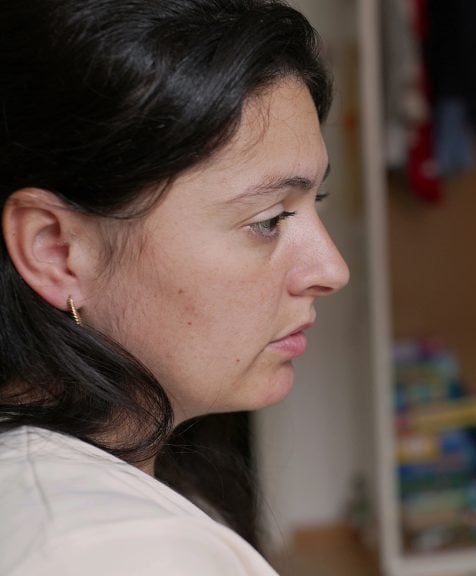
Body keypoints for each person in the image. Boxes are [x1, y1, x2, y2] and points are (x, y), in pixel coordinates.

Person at [0, 0, 348, 574]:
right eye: (268, 219)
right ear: (56, 252)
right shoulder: (110, 552)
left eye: (317, 201)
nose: (331, 269)